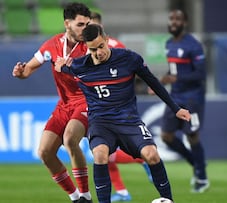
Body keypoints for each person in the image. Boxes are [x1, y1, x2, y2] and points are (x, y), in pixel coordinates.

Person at [55, 24, 191, 203]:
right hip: (100, 122)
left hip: (129, 120)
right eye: (93, 50)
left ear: (106, 39)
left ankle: (168, 200)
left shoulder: (129, 59)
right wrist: (59, 66)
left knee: (152, 154)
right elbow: (60, 66)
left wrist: (176, 108)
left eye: (101, 46)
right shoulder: (79, 66)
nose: (98, 53)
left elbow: (154, 83)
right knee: (100, 155)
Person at [12, 2, 93, 203]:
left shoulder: (92, 45)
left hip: (86, 101)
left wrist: (72, 68)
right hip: (64, 104)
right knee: (45, 152)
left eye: (87, 24)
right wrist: (21, 73)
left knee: (69, 139)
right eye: (81, 24)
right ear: (67, 23)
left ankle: (86, 195)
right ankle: (75, 198)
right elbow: (29, 69)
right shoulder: (51, 46)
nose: (86, 29)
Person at [90, 11, 153, 202]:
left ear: (100, 28)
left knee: (105, 153)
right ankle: (122, 191)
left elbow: (133, 63)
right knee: (102, 154)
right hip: (98, 105)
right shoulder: (87, 49)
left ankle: (142, 161)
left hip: (117, 106)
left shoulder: (115, 47)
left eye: (91, 25)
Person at [150, 9, 209, 193]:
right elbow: (173, 72)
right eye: (171, 19)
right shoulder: (168, 44)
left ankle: (202, 177)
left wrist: (177, 79)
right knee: (166, 136)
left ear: (185, 23)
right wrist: (160, 82)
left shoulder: (193, 45)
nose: (173, 22)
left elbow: (200, 73)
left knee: (192, 136)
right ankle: (195, 161)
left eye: (178, 19)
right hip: (174, 97)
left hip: (193, 98)